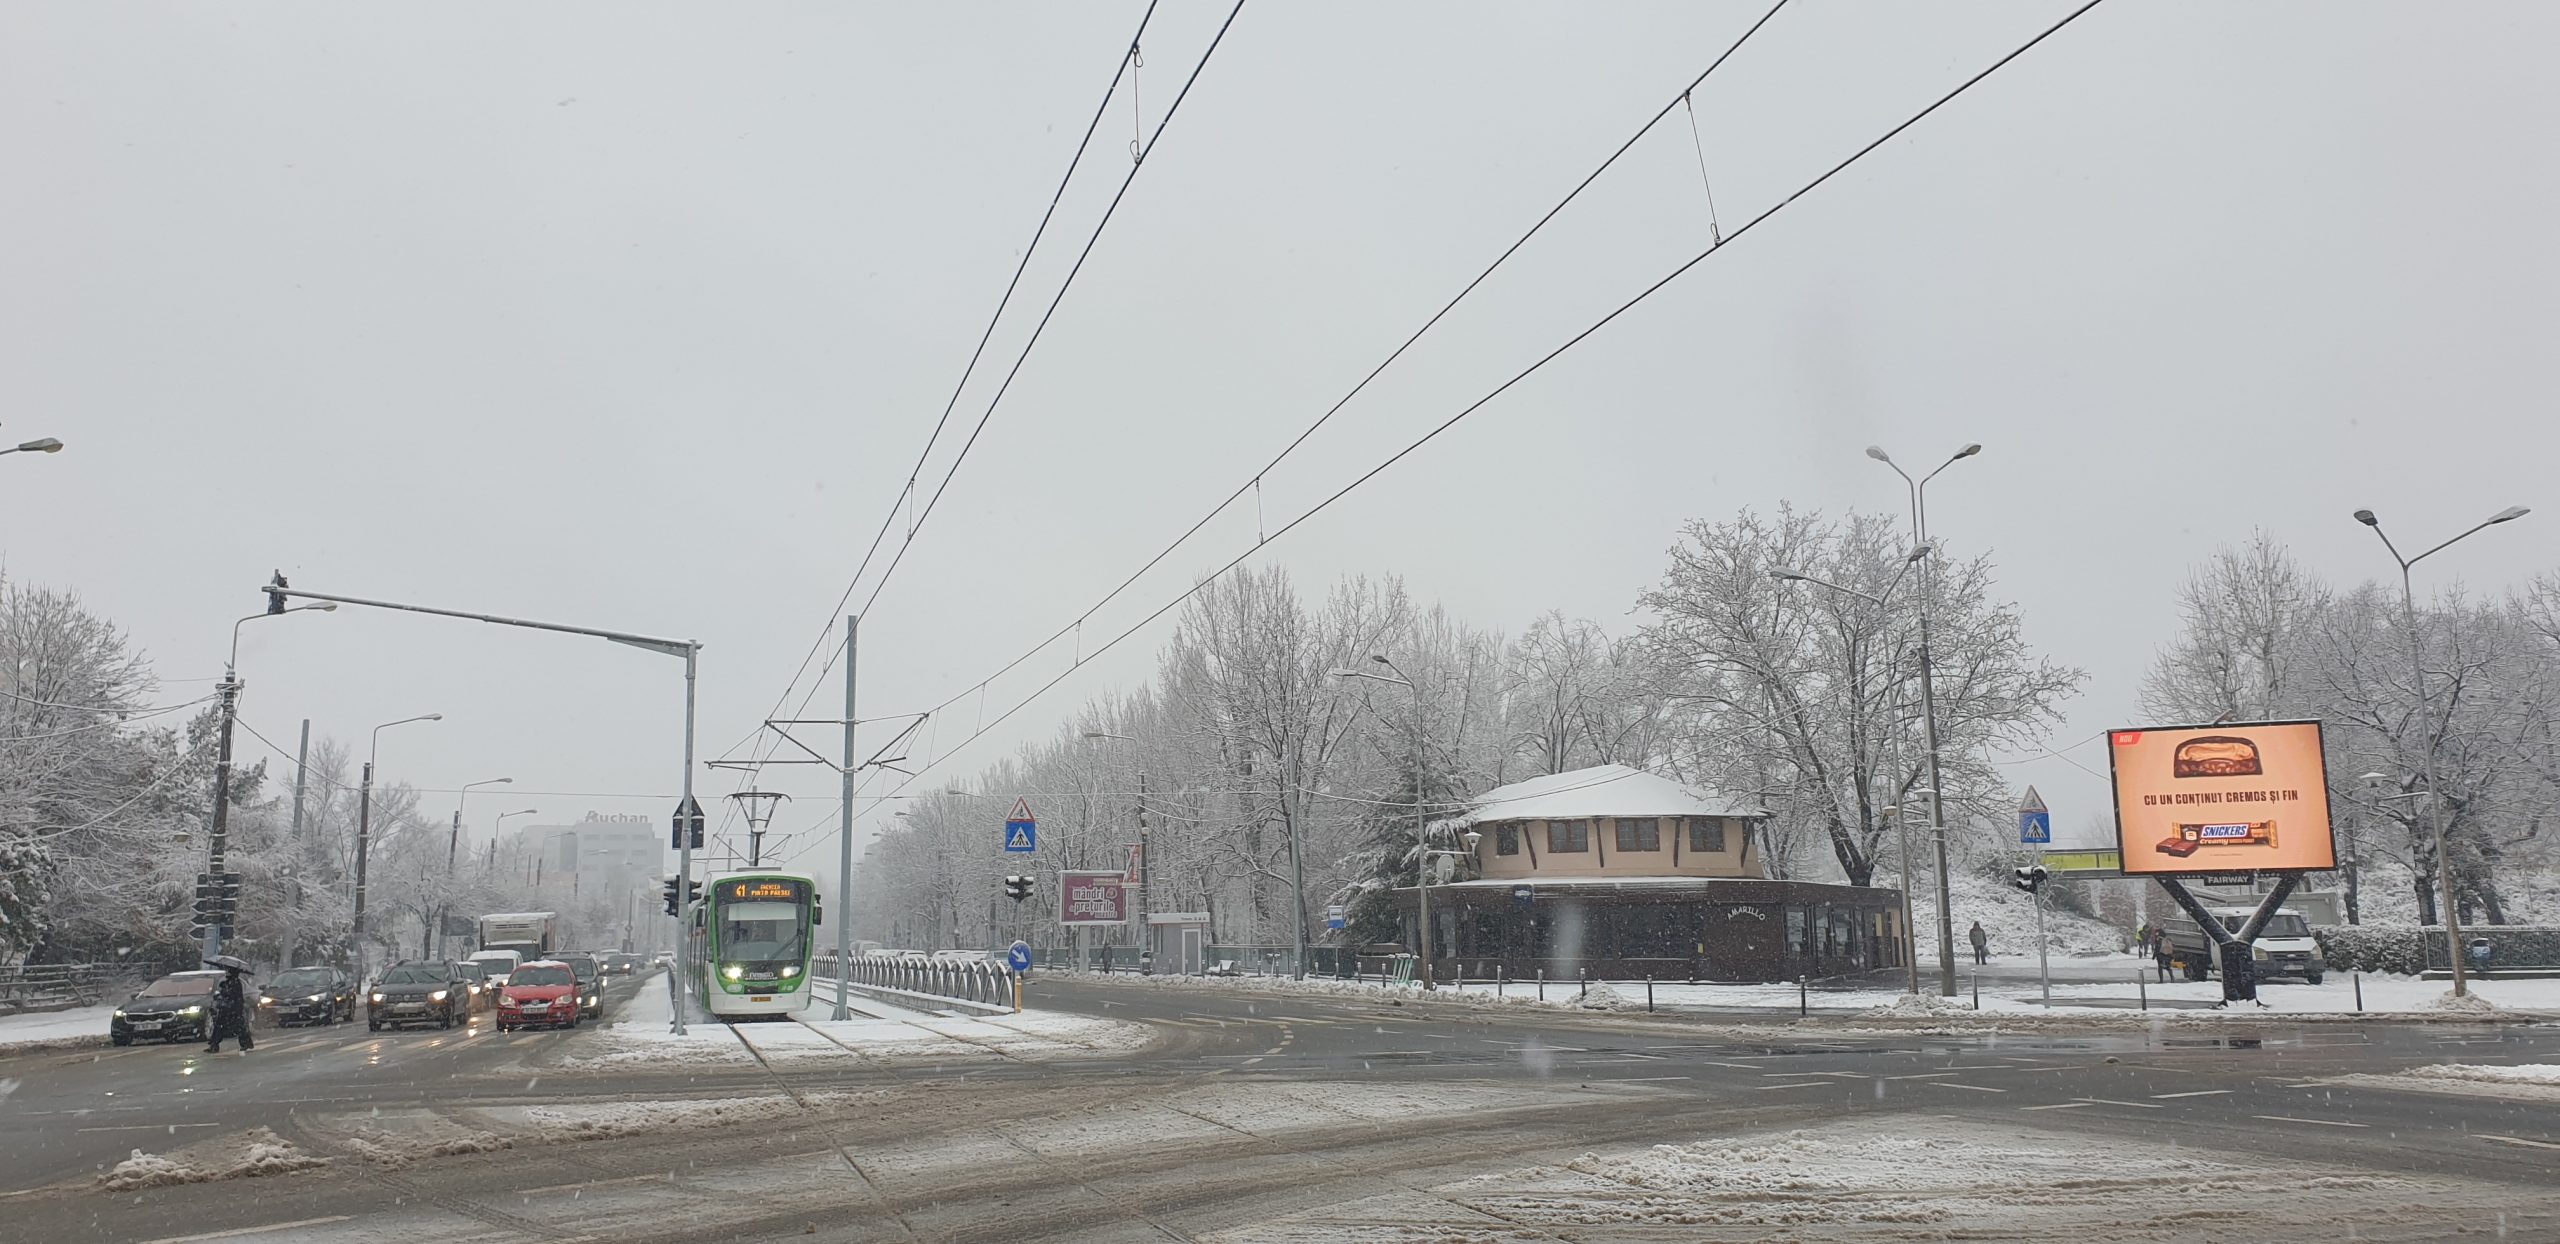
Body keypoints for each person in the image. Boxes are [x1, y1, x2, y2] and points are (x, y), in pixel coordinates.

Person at [204, 962, 255, 1054]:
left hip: (233, 1009)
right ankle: (214, 1045)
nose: (226, 973)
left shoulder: (235, 982)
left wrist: (223, 992)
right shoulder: (228, 982)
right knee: (220, 1027)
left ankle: (245, 1043)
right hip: (226, 1008)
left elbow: (232, 995)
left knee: (238, 1027)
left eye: (228, 971)